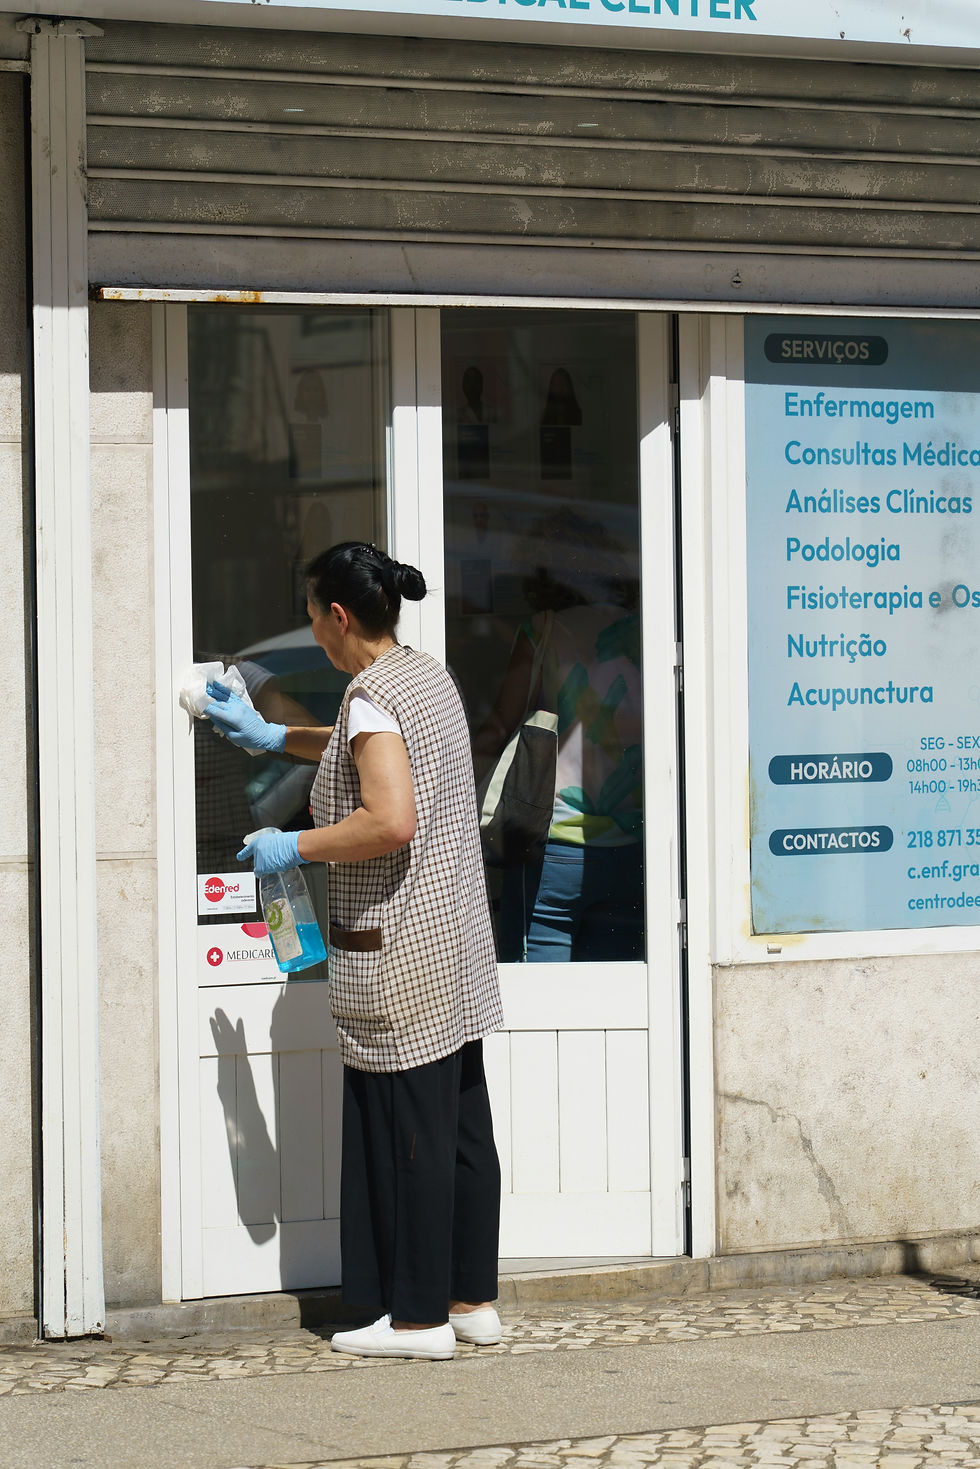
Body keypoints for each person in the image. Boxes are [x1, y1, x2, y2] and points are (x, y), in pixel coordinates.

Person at [202, 542, 505, 1361]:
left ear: (338, 617)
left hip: (401, 945)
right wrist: (271, 736)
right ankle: (471, 1299)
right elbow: (355, 741)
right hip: (454, 939)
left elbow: (390, 818)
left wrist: (294, 845)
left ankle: (414, 1320)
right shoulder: (421, 675)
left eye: (311, 614)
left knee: (406, 1135)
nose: (312, 627)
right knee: (460, 1123)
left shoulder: (374, 696)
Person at [476, 574, 643, 963]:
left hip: (555, 841)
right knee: (615, 990)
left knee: (540, 991)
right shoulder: (646, 626)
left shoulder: (545, 629)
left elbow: (502, 722)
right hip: (633, 843)